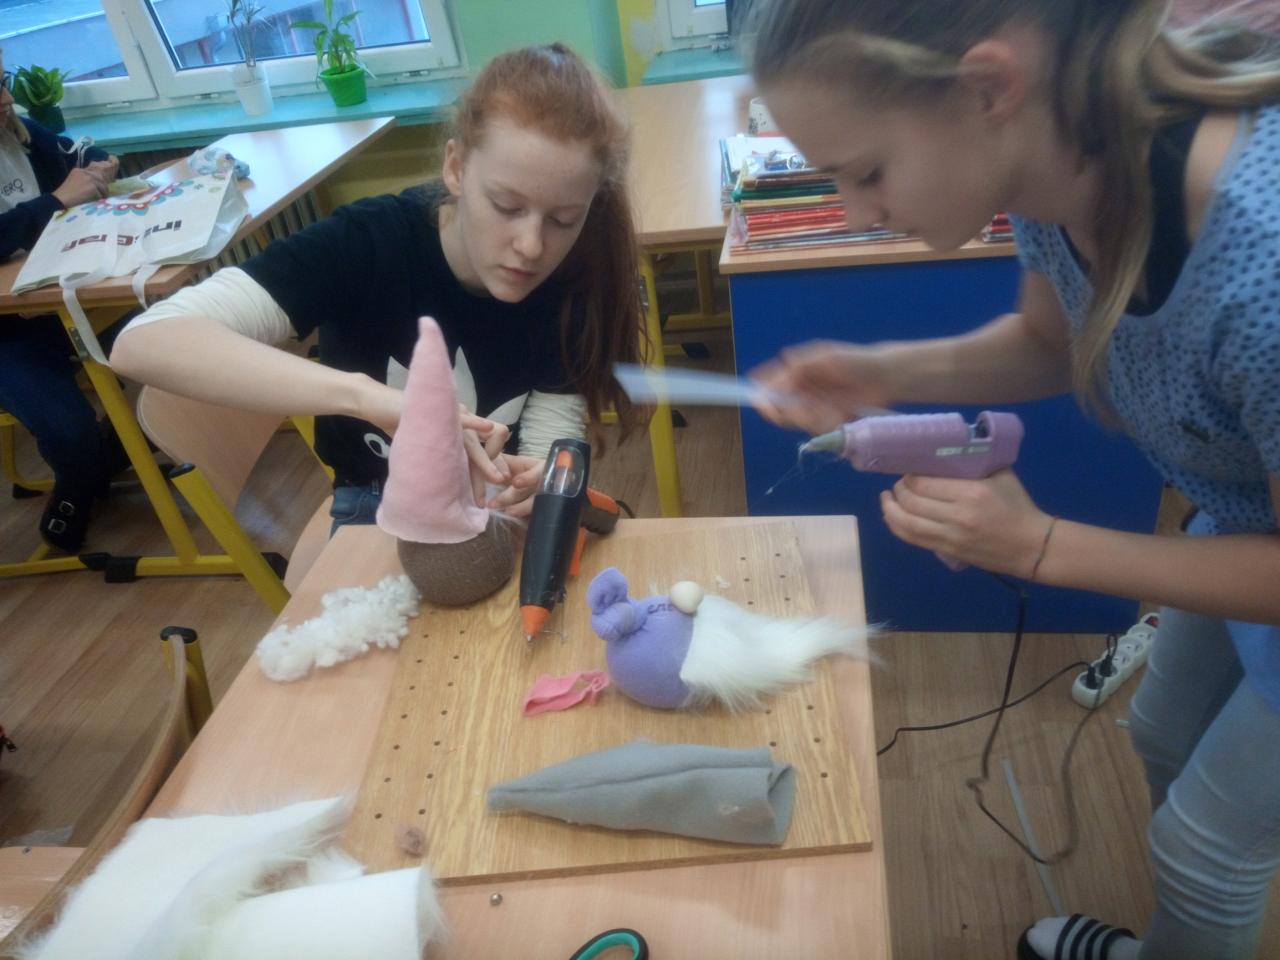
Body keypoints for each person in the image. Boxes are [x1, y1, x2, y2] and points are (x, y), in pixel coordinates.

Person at [744, 2, 1280, 959]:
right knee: (1163, 730)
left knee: (1205, 852)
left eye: (868, 173)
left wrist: (1042, 547)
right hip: (1242, 523)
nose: (858, 215)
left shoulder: (1260, 258)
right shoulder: (1057, 162)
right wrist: (885, 372)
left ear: (990, 86)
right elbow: (1047, 340)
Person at [110, 43, 644, 528]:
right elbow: (144, 342)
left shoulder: (574, 268)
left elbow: (552, 422)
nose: (531, 246)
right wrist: (372, 399)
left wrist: (544, 480)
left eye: (564, 219)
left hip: (493, 501)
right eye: (506, 206)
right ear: (456, 167)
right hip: (375, 500)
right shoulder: (369, 242)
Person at [1, 48, 125, 552]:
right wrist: (54, 201)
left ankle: (109, 460)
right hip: (6, 332)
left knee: (174, 345)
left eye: (2, 81)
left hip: (53, 305)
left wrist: (98, 167)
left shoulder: (18, 131)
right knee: (69, 431)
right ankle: (79, 484)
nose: (6, 99)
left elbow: (77, 153)